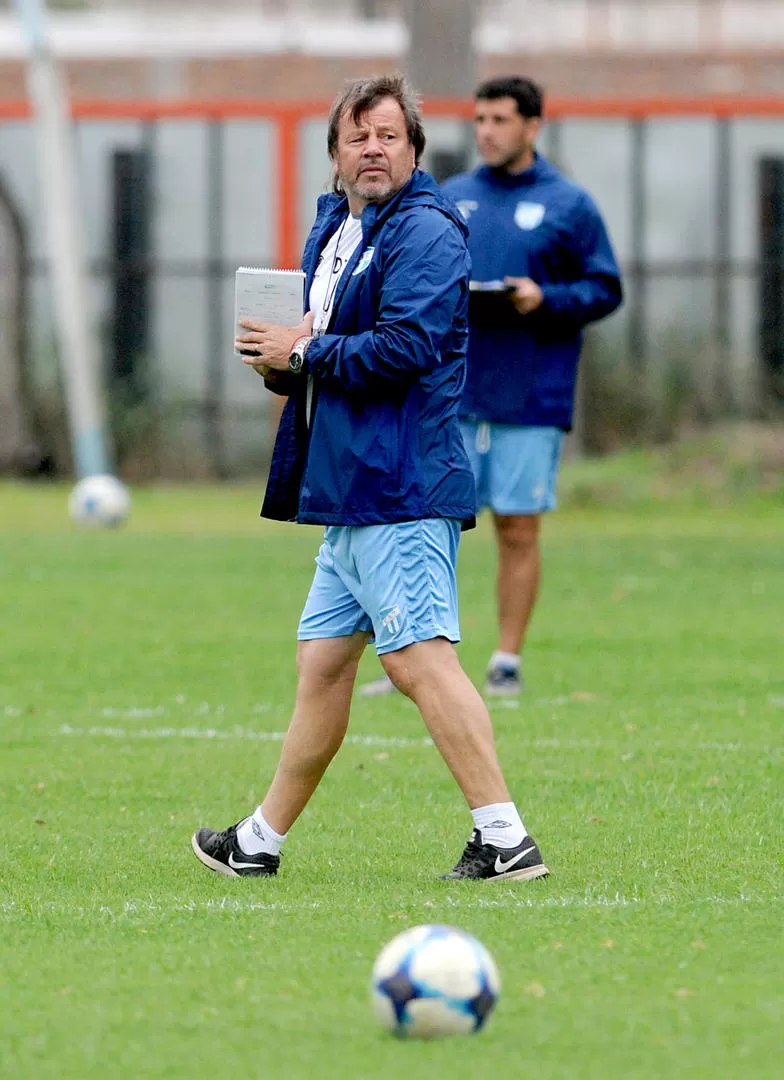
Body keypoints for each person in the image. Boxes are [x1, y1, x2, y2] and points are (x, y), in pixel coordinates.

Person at [191, 74, 549, 883]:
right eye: (358, 137)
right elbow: (323, 348)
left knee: (419, 659)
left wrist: (307, 352)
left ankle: (504, 838)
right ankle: (259, 842)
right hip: (348, 489)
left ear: (414, 149)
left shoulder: (425, 230)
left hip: (401, 484)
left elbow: (407, 347)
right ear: (336, 154)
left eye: (389, 136)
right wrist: (283, 364)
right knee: (321, 667)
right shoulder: (339, 230)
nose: (374, 150)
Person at [362, 75, 622, 698]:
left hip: (531, 396)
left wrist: (547, 298)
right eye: (479, 119)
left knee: (516, 526)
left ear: (533, 126)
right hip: (448, 395)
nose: (486, 131)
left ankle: (506, 661)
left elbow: (605, 288)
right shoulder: (450, 197)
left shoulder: (569, 204)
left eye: (501, 120)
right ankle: (415, 659)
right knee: (423, 525)